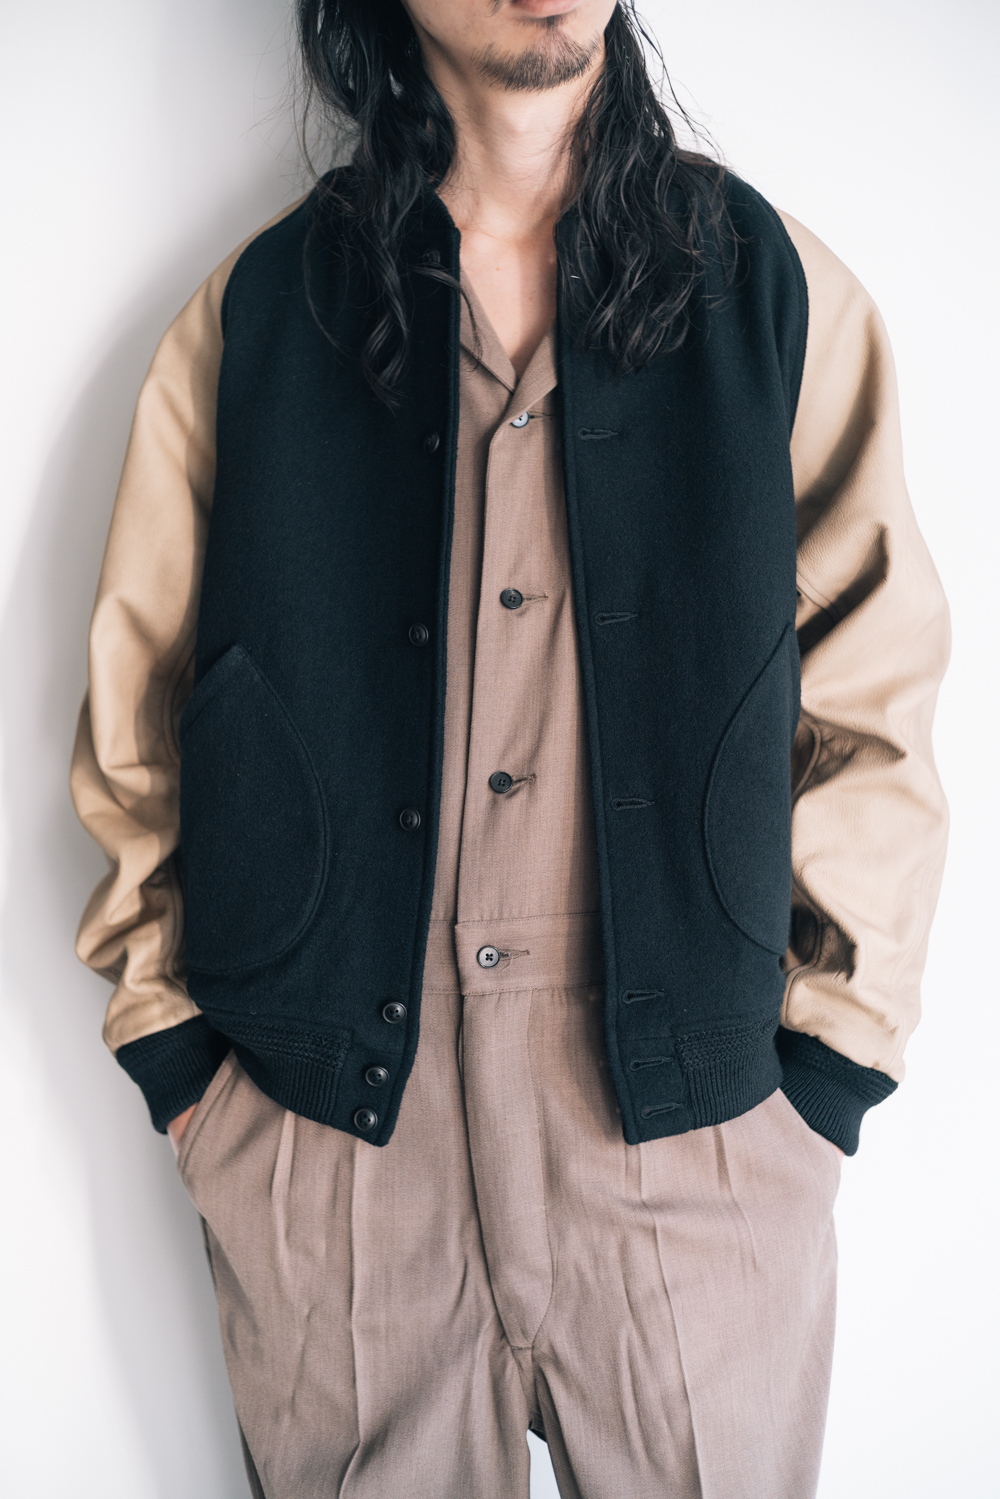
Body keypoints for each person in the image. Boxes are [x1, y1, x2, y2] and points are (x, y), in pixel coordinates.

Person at [71, 1, 949, 1495]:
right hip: (339, 1154)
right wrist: (188, 1074)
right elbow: (138, 702)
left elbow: (879, 693)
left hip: (699, 1136)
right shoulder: (260, 313)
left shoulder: (769, 290)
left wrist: (827, 1078)